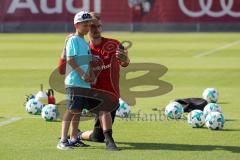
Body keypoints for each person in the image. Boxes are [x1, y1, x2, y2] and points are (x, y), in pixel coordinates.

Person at [79, 12, 130, 149]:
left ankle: (78, 134)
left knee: (97, 136)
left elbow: (125, 62)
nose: (96, 30)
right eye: (92, 27)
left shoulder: (114, 44)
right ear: (86, 28)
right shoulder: (84, 48)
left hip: (112, 96)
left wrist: (126, 60)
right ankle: (110, 140)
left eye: (99, 26)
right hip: (92, 97)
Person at [57, 11, 93, 150]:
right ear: (77, 25)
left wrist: (90, 76)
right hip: (74, 82)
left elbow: (88, 62)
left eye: (89, 24)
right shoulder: (73, 40)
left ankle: (73, 138)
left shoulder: (84, 42)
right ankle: (63, 140)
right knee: (71, 110)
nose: (88, 27)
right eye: (85, 24)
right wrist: (82, 74)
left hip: (83, 83)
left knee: (77, 111)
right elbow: (70, 59)